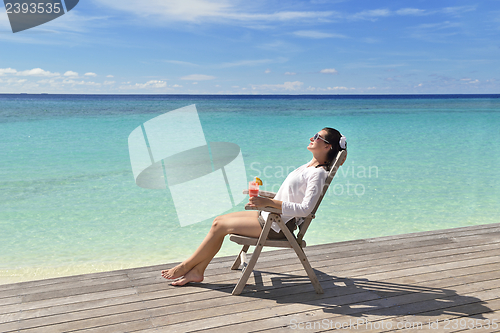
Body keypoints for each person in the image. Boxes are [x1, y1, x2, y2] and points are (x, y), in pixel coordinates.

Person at [161, 127, 347, 286]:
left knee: (220, 226)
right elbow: (290, 195)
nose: (311, 138)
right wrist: (265, 199)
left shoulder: (318, 174)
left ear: (327, 146)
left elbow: (306, 209)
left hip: (278, 226)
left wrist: (269, 203)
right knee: (218, 221)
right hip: (271, 216)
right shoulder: (309, 166)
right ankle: (197, 271)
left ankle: (186, 266)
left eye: (317, 137)